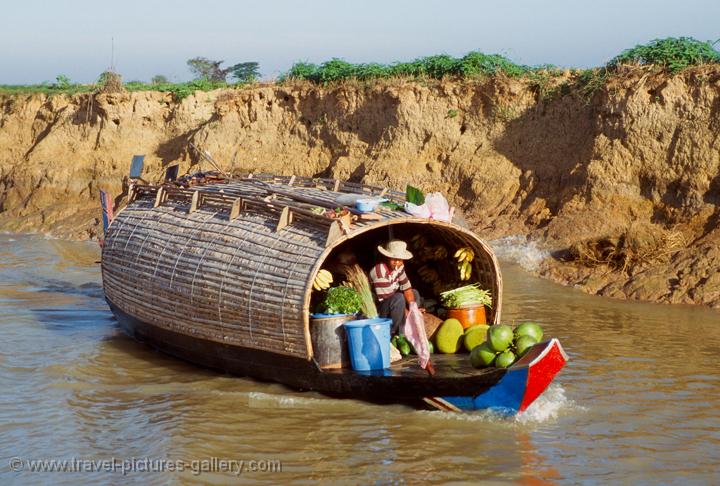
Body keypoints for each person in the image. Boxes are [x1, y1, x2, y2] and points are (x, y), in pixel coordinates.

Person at [369, 239, 423, 335]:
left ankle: (408, 322)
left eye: (400, 260)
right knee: (398, 298)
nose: (397, 262)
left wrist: (413, 308)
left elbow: (407, 288)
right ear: (386, 257)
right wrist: (408, 314)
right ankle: (392, 331)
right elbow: (389, 298)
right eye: (393, 259)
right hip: (380, 310)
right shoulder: (379, 272)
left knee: (414, 293)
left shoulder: (399, 268)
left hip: (393, 303)